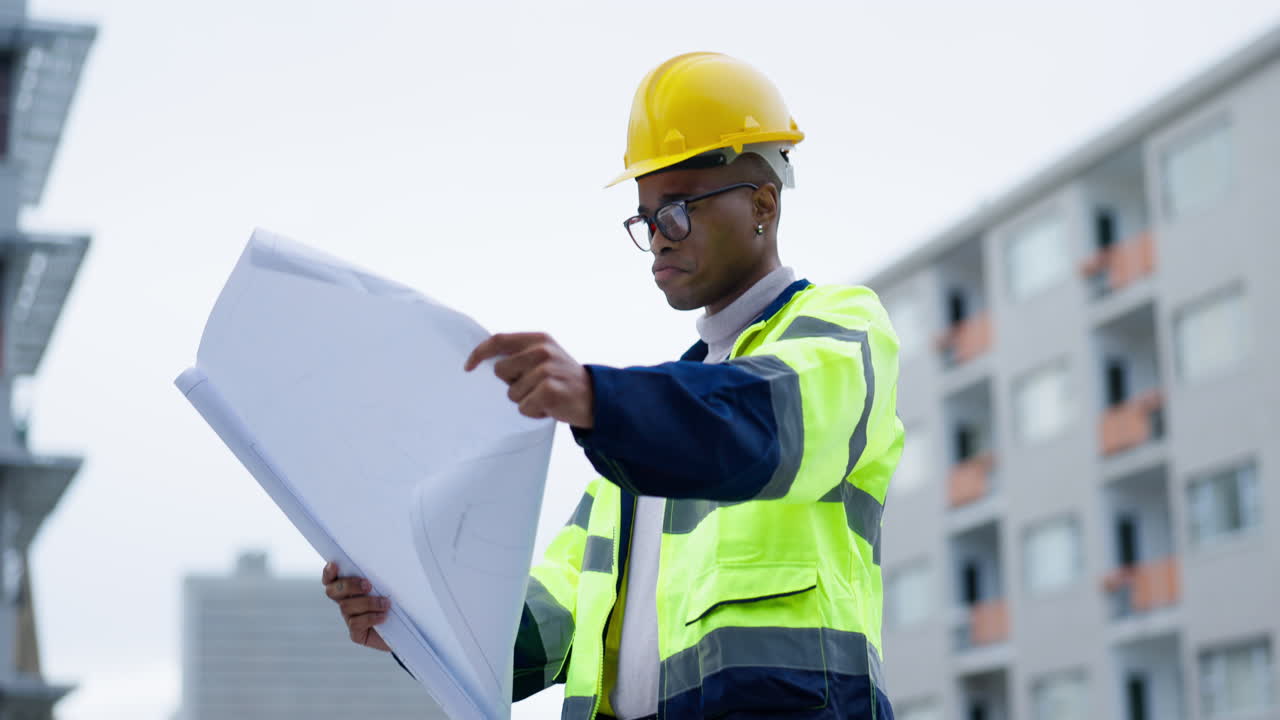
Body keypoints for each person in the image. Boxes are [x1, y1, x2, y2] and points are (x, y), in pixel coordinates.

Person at [323, 51, 902, 720]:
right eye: (646, 219)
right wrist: (405, 618)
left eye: (677, 212)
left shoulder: (841, 328)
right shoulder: (632, 455)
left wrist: (598, 399)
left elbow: (761, 423)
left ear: (762, 205)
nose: (657, 239)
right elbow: (543, 621)